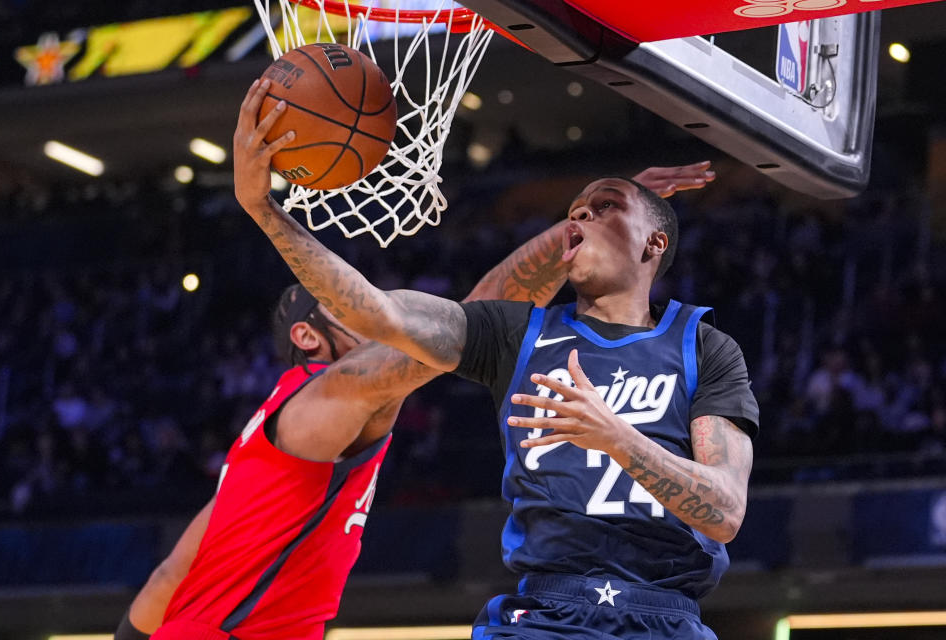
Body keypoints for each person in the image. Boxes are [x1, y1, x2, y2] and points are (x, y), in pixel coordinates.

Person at [114, 76, 714, 640]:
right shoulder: (332, 393)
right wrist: (595, 230)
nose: (359, 296)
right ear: (307, 336)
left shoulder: (250, 455)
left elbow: (168, 576)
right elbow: (479, 317)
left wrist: (611, 221)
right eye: (339, 301)